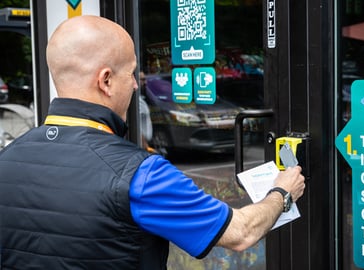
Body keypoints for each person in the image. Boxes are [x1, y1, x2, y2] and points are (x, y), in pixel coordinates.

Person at [0, 15, 305, 269]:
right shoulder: (140, 175)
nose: (135, 84)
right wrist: (283, 192)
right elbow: (241, 233)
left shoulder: (7, 160)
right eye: (131, 73)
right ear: (105, 80)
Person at [138, 70, 155, 153]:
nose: (145, 82)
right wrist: (144, 143)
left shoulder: (141, 99)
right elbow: (135, 123)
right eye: (142, 79)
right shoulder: (135, 102)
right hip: (141, 145)